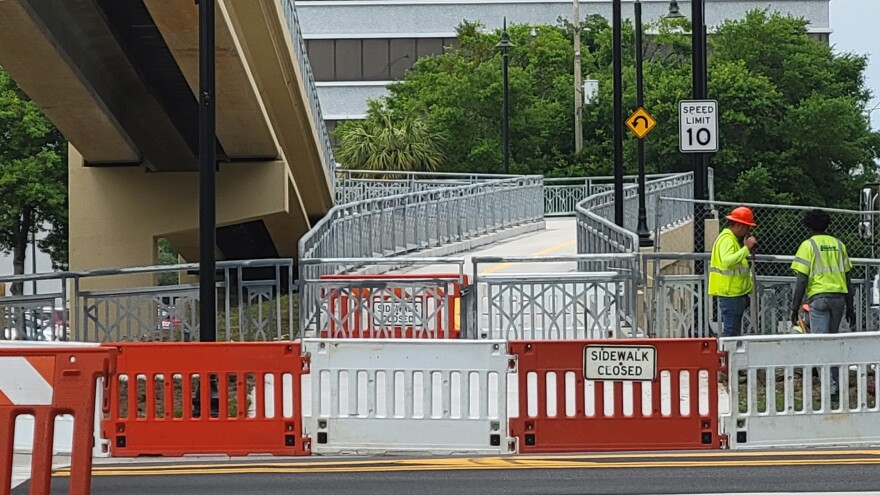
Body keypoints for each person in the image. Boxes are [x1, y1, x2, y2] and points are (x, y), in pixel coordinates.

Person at [790, 209, 854, 401]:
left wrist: (794, 307)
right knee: (832, 343)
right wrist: (850, 306)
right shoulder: (838, 244)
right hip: (839, 298)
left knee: (820, 344)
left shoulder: (807, 245)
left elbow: (801, 279)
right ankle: (834, 386)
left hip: (818, 298)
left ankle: (829, 389)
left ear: (808, 227)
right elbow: (847, 277)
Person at [709, 206, 758, 337]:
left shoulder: (728, 239)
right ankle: (726, 357)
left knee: (732, 332)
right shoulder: (727, 240)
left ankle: (727, 356)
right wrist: (746, 248)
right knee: (731, 334)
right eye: (747, 227)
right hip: (731, 294)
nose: (747, 230)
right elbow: (728, 262)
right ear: (739, 225)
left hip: (732, 293)